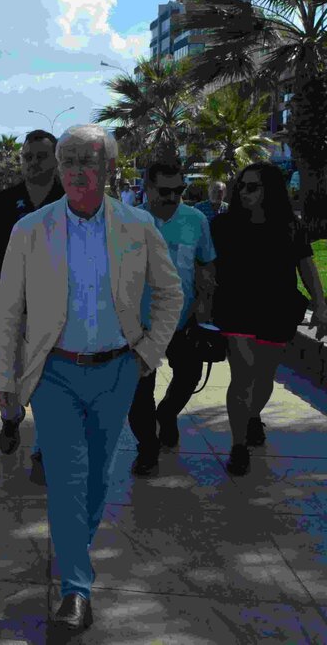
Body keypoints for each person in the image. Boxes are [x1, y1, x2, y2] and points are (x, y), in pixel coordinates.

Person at [0, 125, 182, 631]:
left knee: (97, 478)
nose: (75, 171)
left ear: (108, 168)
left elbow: (170, 294)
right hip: (55, 374)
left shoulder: (138, 226)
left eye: (86, 161)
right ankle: (76, 587)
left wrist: (147, 355)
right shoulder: (30, 230)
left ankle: (74, 549)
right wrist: (2, 374)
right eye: (67, 161)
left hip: (118, 371)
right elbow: (8, 309)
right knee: (66, 480)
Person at [211, 162, 327, 475]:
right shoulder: (224, 225)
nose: (244, 192)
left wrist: (320, 304)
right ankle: (238, 446)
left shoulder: (290, 226)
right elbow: (207, 266)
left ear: (270, 191)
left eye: (253, 187)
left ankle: (252, 417)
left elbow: (307, 266)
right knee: (242, 375)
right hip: (236, 308)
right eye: (241, 186)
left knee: (264, 376)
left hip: (277, 309)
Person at [0, 129, 64, 466]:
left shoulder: (69, 199)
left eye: (41, 156)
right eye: (27, 157)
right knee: (6, 370)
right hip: (11, 301)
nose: (33, 162)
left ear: (56, 159)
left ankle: (46, 442)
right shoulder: (5, 201)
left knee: (51, 375)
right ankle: (10, 418)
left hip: (58, 305)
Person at [127, 159, 216, 477]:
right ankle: (147, 448)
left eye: (179, 190)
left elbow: (206, 265)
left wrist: (204, 311)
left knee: (189, 377)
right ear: (147, 188)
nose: (173, 197)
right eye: (164, 191)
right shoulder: (128, 222)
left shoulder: (195, 220)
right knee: (139, 393)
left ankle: (166, 414)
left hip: (183, 321)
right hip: (139, 325)